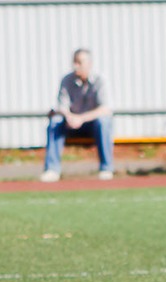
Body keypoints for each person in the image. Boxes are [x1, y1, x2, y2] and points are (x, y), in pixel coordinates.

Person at [39, 48, 113, 183]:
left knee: (104, 121)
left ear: (89, 64)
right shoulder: (67, 80)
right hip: (70, 124)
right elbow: (62, 106)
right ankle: (52, 170)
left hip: (91, 124)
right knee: (55, 122)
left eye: (79, 62)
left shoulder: (100, 80)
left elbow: (105, 109)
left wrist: (81, 118)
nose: (76, 66)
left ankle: (106, 168)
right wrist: (69, 117)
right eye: (74, 62)